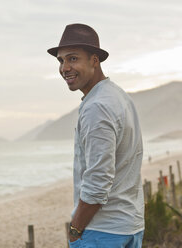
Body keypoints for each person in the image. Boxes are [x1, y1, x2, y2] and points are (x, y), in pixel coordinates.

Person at [47, 23, 144, 248]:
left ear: (94, 60)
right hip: (130, 225)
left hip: (103, 231)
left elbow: (98, 179)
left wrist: (75, 229)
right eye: (61, 60)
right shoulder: (118, 96)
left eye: (73, 59)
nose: (65, 68)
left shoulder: (97, 106)